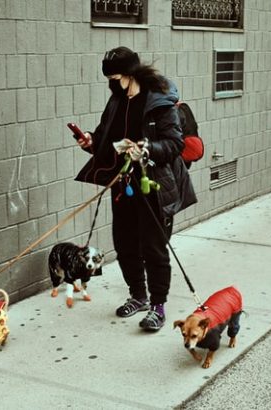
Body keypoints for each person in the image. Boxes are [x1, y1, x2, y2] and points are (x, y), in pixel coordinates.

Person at [74, 46, 197, 331]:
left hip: (153, 186)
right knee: (125, 244)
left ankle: (158, 306)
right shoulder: (116, 101)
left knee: (154, 249)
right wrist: (91, 141)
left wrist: (146, 148)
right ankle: (138, 296)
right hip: (124, 186)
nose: (111, 84)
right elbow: (105, 136)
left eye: (115, 78)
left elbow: (174, 144)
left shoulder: (159, 101)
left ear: (130, 75)